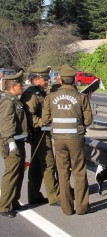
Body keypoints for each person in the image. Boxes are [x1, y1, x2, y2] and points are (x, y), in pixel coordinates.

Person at [42, 65, 93, 215]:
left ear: (60, 79)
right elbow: (88, 120)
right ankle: (82, 207)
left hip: (58, 139)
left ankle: (67, 208)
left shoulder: (50, 97)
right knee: (79, 171)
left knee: (62, 172)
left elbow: (45, 119)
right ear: (74, 80)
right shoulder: (81, 97)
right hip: (75, 138)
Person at [21, 67, 60, 206]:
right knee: (48, 164)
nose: (47, 81)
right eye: (44, 79)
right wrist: (41, 122)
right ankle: (54, 197)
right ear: (36, 79)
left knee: (37, 165)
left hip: (42, 132)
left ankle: (34, 196)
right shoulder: (31, 94)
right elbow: (29, 115)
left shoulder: (40, 92)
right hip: (39, 133)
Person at [0, 71, 28, 218]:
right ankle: (4, 206)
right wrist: (10, 141)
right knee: (11, 174)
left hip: (19, 141)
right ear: (13, 87)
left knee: (18, 174)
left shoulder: (15, 100)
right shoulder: (8, 102)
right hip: (11, 143)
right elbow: (5, 124)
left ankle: (14, 201)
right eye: (20, 84)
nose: (22, 86)